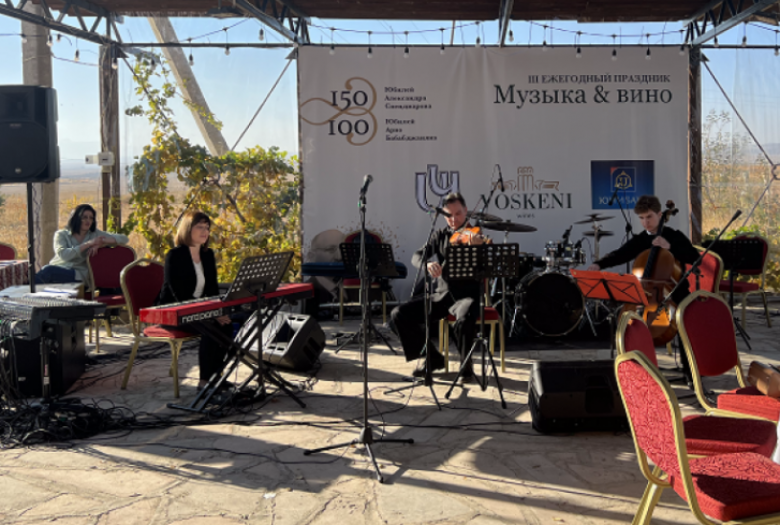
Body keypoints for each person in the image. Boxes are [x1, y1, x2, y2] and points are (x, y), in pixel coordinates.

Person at [390, 192, 484, 379]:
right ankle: (433, 358)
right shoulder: (440, 235)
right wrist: (427, 264)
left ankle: (466, 365)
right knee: (398, 314)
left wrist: (478, 248)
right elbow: (417, 256)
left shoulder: (475, 235)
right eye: (449, 215)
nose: (453, 219)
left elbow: (486, 267)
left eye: (458, 214)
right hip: (442, 296)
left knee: (464, 318)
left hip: (467, 295)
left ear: (466, 210)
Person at [158, 211, 232, 386]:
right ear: (187, 229)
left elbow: (212, 289)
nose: (205, 231)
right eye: (200, 227)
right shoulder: (175, 255)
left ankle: (216, 377)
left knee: (227, 325)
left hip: (198, 310)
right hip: (174, 312)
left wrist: (218, 311)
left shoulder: (208, 254)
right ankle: (204, 382)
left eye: (207, 227)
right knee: (211, 327)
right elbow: (180, 295)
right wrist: (210, 313)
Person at [587, 195, 700, 306]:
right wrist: (599, 264)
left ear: (659, 215)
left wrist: (670, 247)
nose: (645, 222)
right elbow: (620, 255)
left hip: (675, 295)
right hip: (646, 295)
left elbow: (695, 258)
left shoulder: (674, 236)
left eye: (649, 217)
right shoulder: (640, 240)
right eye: (642, 218)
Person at [36, 204, 129, 285]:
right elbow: (64, 255)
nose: (88, 221)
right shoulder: (61, 234)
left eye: (91, 218)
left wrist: (101, 241)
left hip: (78, 274)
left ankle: (30, 295)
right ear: (76, 218)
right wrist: (88, 244)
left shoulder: (94, 234)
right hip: (59, 268)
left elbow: (124, 239)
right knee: (45, 272)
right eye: (84, 217)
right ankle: (33, 295)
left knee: (48, 271)